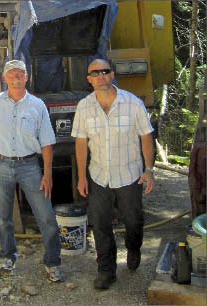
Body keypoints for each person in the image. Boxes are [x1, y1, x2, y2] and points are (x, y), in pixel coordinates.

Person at [0, 60, 63, 282]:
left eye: (20, 74)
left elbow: (47, 144)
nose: (16, 78)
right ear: (5, 79)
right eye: (11, 74)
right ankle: (7, 256)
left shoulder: (37, 105)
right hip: (0, 165)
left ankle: (52, 263)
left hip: (29, 166)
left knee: (46, 216)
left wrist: (48, 173)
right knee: (3, 217)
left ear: (26, 77)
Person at [71, 59, 154, 289]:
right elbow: (80, 142)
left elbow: (146, 137)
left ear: (112, 74)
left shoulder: (133, 103)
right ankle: (106, 271)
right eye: (95, 73)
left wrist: (149, 170)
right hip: (99, 176)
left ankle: (134, 248)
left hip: (130, 175)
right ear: (89, 79)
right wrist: (81, 176)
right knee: (100, 224)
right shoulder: (84, 107)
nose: (100, 76)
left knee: (133, 220)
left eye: (105, 72)